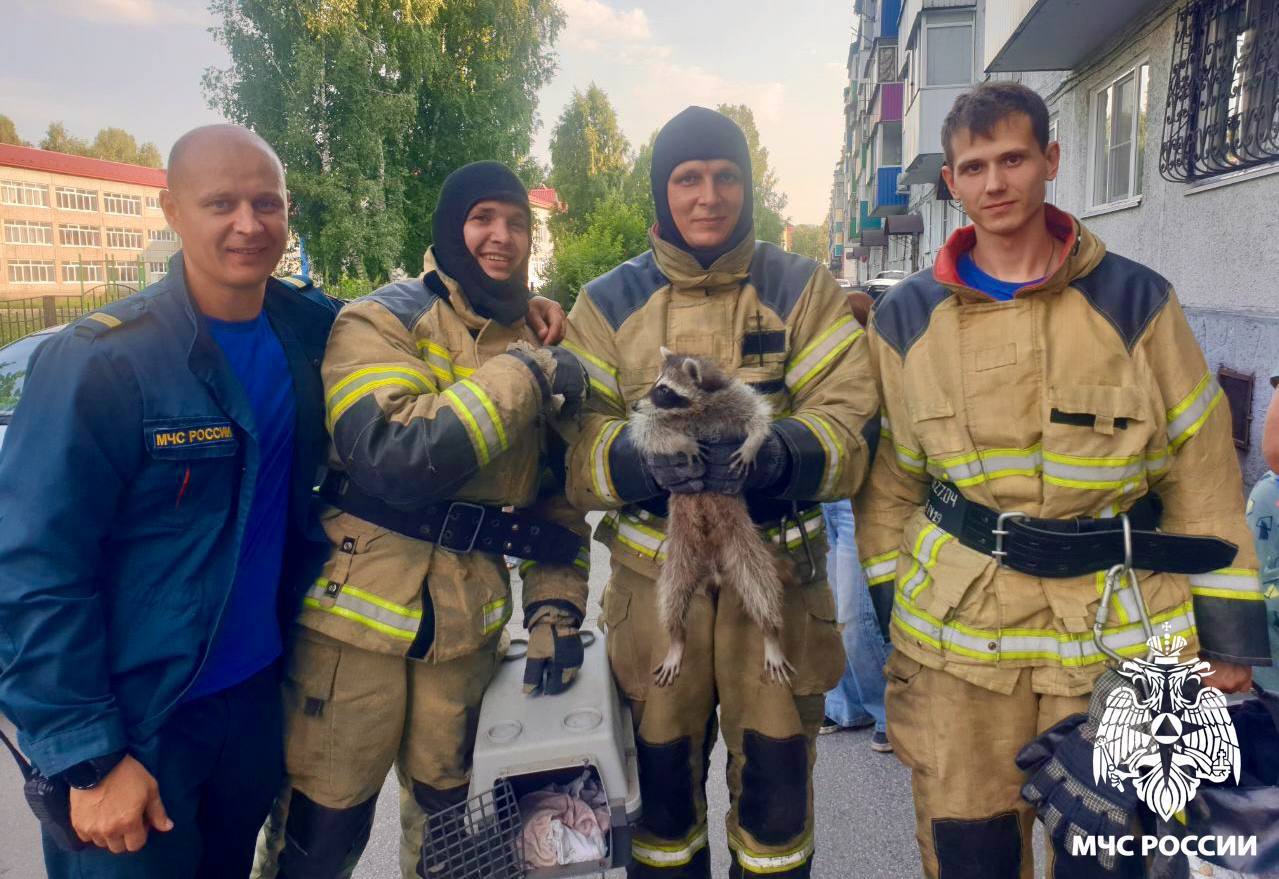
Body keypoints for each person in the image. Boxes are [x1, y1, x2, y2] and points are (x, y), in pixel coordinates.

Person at [854, 82, 1271, 879]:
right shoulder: (906, 318)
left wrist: (1226, 642)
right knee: (966, 848)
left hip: (1131, 640)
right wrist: (893, 611)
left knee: (1117, 857)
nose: (994, 182)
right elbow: (888, 488)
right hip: (957, 648)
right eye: (972, 167)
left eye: (1012, 158)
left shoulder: (1135, 299)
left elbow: (1203, 472)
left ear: (1050, 159)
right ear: (951, 182)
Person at [0, 124, 339, 878]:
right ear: (171, 212)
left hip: (250, 709)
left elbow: (406, 321)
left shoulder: (307, 331)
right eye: (220, 202)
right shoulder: (101, 361)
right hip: (139, 727)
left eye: (267, 203)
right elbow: (31, 568)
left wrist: (524, 311)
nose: (248, 224)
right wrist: (87, 759)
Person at [562, 106, 878, 878]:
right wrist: (639, 465)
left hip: (774, 580)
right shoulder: (605, 303)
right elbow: (574, 446)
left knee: (775, 808)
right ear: (661, 191)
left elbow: (851, 422)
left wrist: (778, 458)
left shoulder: (802, 288)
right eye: (688, 178)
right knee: (658, 809)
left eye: (726, 176)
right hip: (654, 597)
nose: (709, 195)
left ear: (748, 186)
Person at [273, 160, 590, 879]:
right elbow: (393, 454)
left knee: (459, 848)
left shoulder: (538, 334)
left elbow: (554, 500)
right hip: (348, 636)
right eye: (483, 218)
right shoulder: (380, 317)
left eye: (516, 221)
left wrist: (553, 610)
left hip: (465, 637)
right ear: (450, 227)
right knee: (317, 840)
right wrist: (527, 372)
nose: (500, 235)